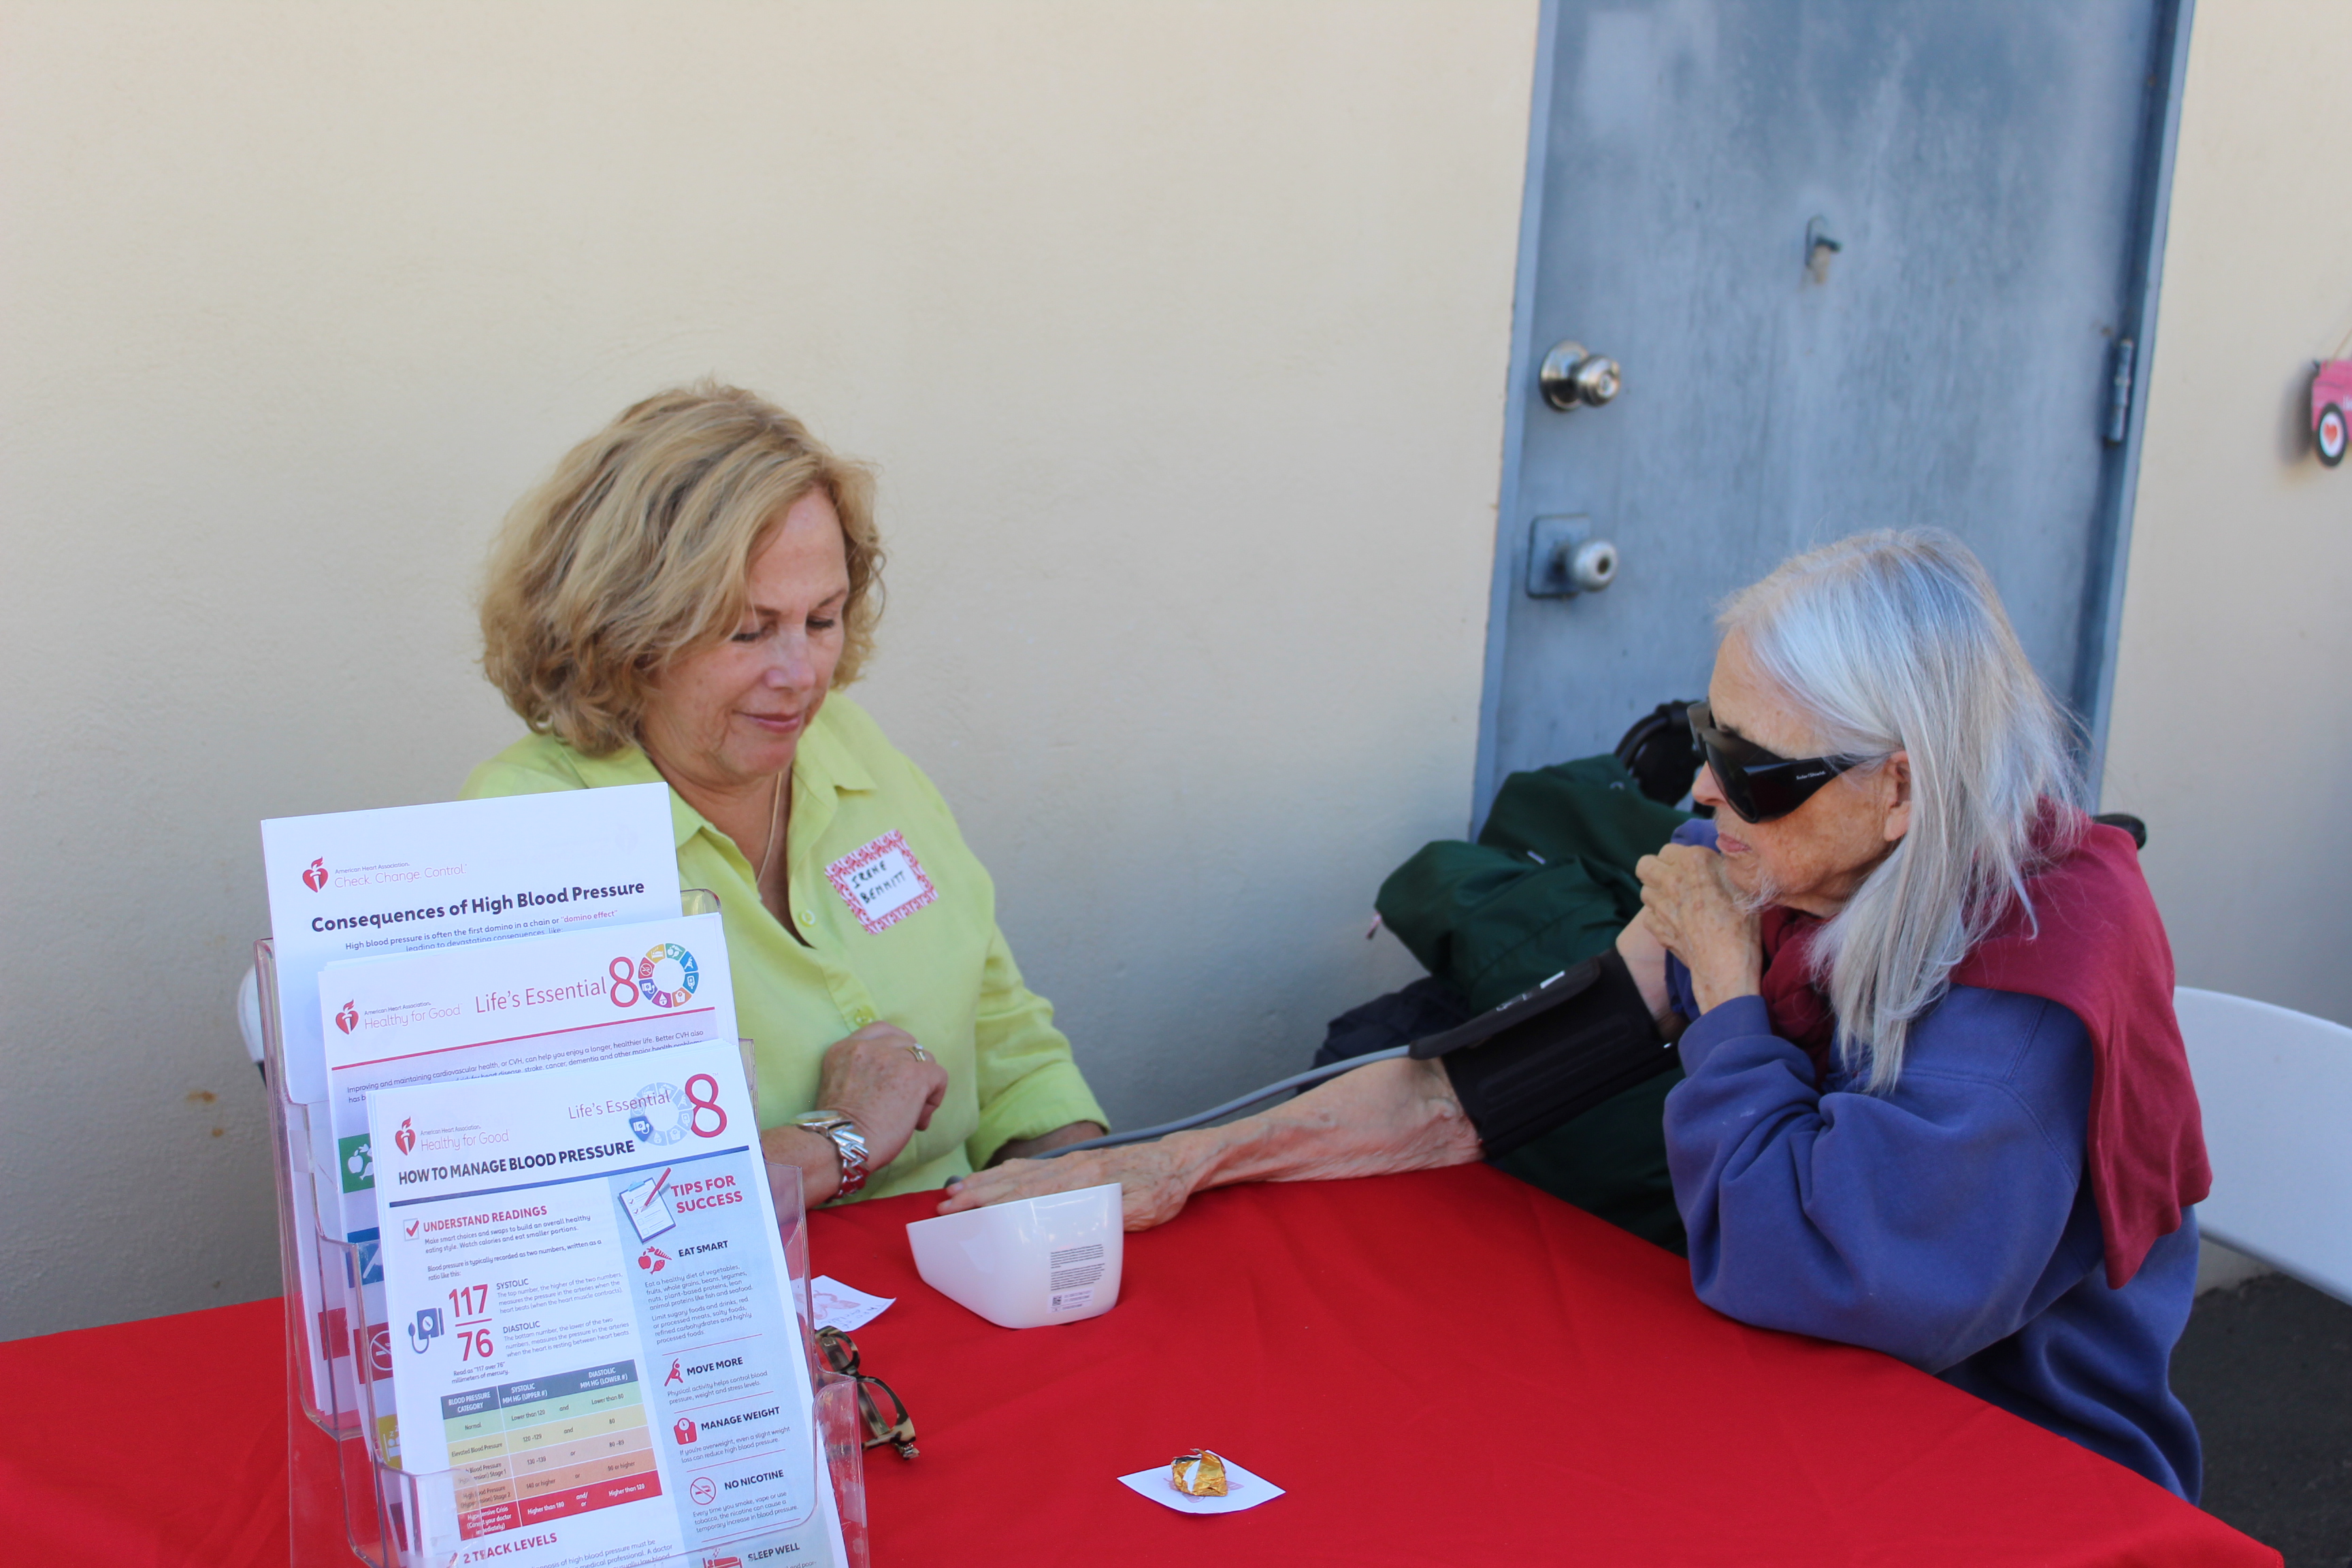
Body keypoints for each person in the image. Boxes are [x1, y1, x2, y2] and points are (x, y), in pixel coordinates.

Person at [945, 530, 2209, 1497]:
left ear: (1901, 787)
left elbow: (1827, 1267)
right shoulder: (1795, 861)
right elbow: (1483, 1084)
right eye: (1703, 737)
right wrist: (1175, 1161)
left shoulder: (2039, 961)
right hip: (1798, 1397)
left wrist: (1722, 988)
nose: (1709, 791)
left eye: (1757, 773)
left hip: (2004, 1458)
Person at [466, 382, 1107, 1204]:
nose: (800, 677)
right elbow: (572, 1204)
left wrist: (1074, 1191)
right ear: (626, 634)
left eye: (823, 618)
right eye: (747, 629)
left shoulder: (848, 745)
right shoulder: (533, 831)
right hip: (726, 1313)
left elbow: (1006, 1039)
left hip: (954, 1268)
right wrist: (839, 1139)